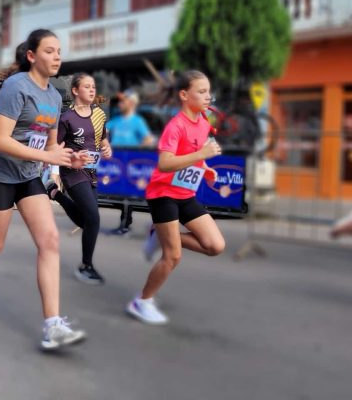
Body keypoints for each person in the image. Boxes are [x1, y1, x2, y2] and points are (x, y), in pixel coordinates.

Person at [0, 30, 88, 350]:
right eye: (50, 51)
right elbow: (1, 141)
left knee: (49, 240)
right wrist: (47, 156)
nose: (57, 57)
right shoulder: (16, 87)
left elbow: (51, 144)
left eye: (59, 51)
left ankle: (52, 325)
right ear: (31, 56)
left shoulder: (54, 96)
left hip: (28, 176)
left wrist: (67, 158)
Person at [126, 70, 226, 325]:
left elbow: (195, 157)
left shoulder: (203, 122)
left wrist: (207, 169)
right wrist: (201, 154)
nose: (207, 96)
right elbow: (166, 163)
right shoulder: (176, 125)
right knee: (173, 256)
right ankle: (142, 301)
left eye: (208, 91)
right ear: (184, 95)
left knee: (215, 246)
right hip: (163, 194)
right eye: (201, 91)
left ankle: (158, 236)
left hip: (186, 193)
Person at [47, 73, 112, 285]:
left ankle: (55, 194)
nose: (92, 90)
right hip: (72, 171)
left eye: (94, 86)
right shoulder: (66, 118)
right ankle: (86, 266)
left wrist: (107, 146)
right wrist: (63, 164)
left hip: (92, 171)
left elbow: (102, 138)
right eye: (87, 86)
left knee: (89, 221)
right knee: (93, 217)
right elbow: (54, 147)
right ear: (75, 91)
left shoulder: (100, 114)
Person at [106, 88, 155, 234]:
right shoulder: (115, 120)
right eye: (120, 101)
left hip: (132, 165)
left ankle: (127, 224)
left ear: (132, 103)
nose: (120, 103)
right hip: (118, 164)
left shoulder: (138, 121)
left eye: (123, 100)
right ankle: (125, 222)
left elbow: (149, 139)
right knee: (121, 196)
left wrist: (138, 151)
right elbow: (103, 132)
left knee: (131, 196)